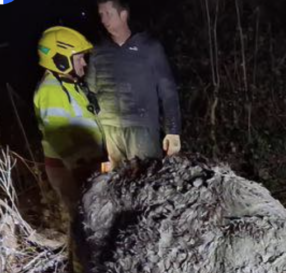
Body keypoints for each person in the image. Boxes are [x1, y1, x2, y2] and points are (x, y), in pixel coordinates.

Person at [87, 0, 181, 167]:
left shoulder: (149, 48)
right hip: (110, 131)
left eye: (108, 14)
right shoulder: (97, 51)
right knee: (118, 185)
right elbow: (90, 92)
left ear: (123, 15)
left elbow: (168, 91)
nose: (103, 20)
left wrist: (173, 131)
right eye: (101, 15)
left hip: (142, 128)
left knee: (146, 181)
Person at [34, 26, 104, 226]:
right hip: (71, 169)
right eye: (79, 58)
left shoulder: (69, 84)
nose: (84, 62)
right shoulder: (51, 90)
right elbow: (58, 134)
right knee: (83, 221)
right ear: (60, 60)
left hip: (83, 164)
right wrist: (80, 166)